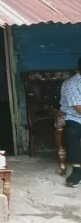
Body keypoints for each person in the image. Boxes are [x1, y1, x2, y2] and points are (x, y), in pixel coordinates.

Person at [60, 57, 81, 187]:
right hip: (74, 117)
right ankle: (77, 170)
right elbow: (79, 109)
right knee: (73, 132)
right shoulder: (71, 84)